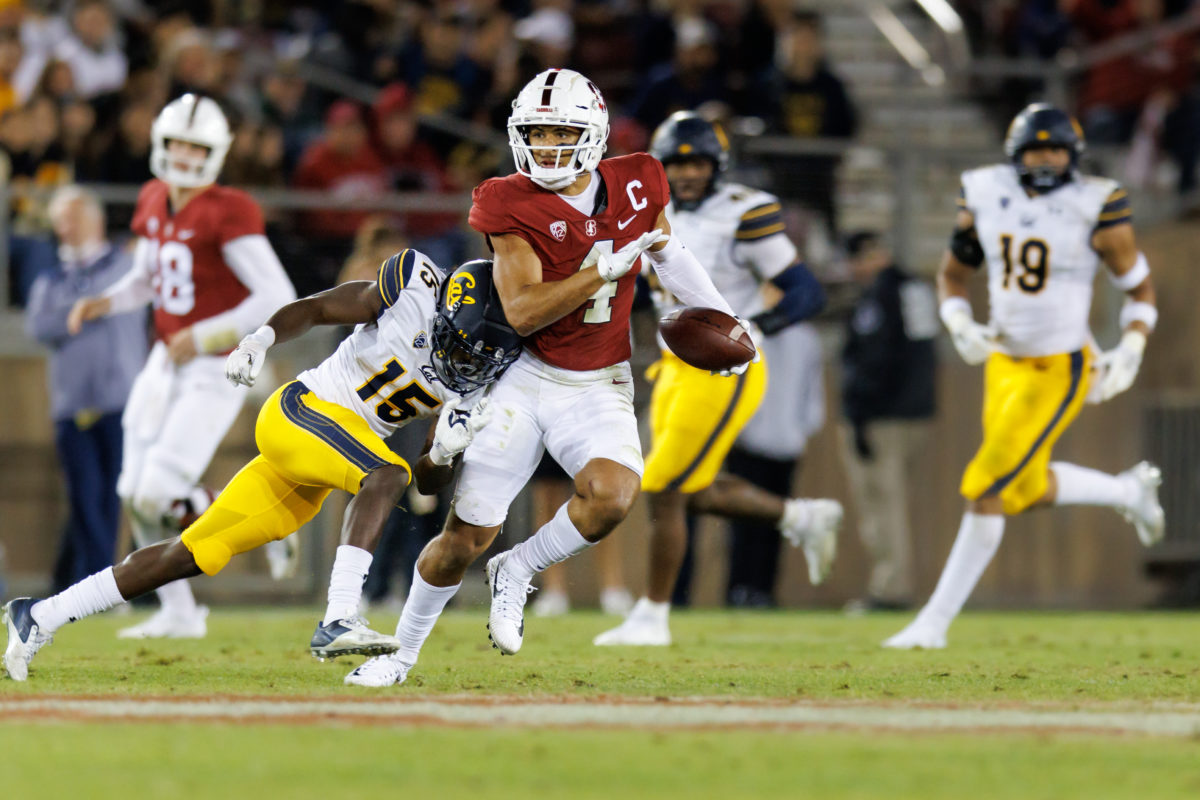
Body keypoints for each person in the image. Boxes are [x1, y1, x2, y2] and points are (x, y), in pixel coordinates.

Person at [343, 68, 747, 688]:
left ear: (594, 134)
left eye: (564, 132)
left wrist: (723, 318)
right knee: (462, 538)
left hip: (598, 378)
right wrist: (602, 270)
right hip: (521, 377)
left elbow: (668, 251)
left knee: (613, 498)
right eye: (538, 132)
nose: (550, 146)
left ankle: (521, 568)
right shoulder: (508, 200)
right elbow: (525, 308)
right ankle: (398, 655)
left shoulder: (638, 181)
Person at [3, 253, 522, 682]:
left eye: (481, 359)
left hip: (326, 458)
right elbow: (319, 308)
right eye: (460, 346)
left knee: (193, 553)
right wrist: (261, 338)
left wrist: (444, 453)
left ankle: (39, 615)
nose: (465, 365)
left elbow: (428, 485)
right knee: (386, 474)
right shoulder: (413, 284)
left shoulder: (476, 385)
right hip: (302, 412)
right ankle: (340, 614)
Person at [884, 103, 1165, 650]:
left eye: (1055, 150)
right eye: (1035, 150)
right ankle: (1127, 491)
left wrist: (1131, 345)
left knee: (986, 484)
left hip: (1060, 365)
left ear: (1073, 156)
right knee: (1026, 486)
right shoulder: (986, 192)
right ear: (1015, 155)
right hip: (1004, 362)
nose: (1044, 159)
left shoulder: (1096, 203)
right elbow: (952, 277)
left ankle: (932, 624)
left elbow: (1141, 290)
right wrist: (959, 319)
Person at [593, 111, 841, 647]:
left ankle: (653, 616)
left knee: (662, 485)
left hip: (726, 369)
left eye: (697, 163)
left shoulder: (742, 212)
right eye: (677, 164)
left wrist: (751, 326)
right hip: (673, 369)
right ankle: (799, 518)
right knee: (688, 485)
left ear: (718, 165)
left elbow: (804, 291)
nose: (686, 174)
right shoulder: (642, 214)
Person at [64, 94, 297, 640]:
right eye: (179, 145)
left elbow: (276, 294)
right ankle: (180, 611)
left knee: (158, 488)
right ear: (161, 144)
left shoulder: (230, 208)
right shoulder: (153, 197)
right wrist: (107, 300)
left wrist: (204, 333)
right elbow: (149, 280)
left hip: (214, 366)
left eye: (198, 147)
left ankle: (262, 527)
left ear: (216, 152)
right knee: (136, 495)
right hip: (164, 363)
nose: (187, 156)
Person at [24, 186, 146, 592]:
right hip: (71, 406)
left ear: (95, 220)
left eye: (73, 217)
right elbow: (40, 325)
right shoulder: (51, 277)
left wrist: (85, 307)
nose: (66, 228)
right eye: (61, 219)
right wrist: (90, 306)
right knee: (84, 498)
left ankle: (91, 585)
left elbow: (122, 294)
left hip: (121, 402)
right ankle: (94, 586)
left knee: (111, 499)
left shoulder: (125, 263)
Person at [838, 231, 937, 613]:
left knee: (881, 506)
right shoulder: (915, 289)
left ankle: (890, 589)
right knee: (893, 503)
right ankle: (894, 583)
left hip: (882, 417)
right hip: (914, 412)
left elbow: (876, 359)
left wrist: (860, 413)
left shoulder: (880, 295)